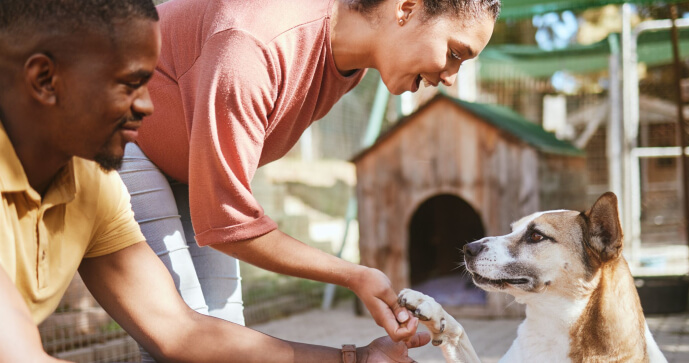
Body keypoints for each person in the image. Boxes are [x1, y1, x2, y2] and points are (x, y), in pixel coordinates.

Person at [0, 0, 430, 361]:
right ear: (44, 80)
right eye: (130, 84)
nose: (150, 107)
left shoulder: (93, 188)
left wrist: (352, 359)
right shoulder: (254, 41)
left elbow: (181, 332)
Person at [123, 0, 499, 356]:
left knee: (221, 332)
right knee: (181, 337)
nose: (451, 77)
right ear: (406, 8)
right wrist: (354, 275)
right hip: (121, 135)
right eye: (454, 53)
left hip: (188, 170)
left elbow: (221, 214)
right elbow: (226, 221)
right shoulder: (254, 43)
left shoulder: (350, 67)